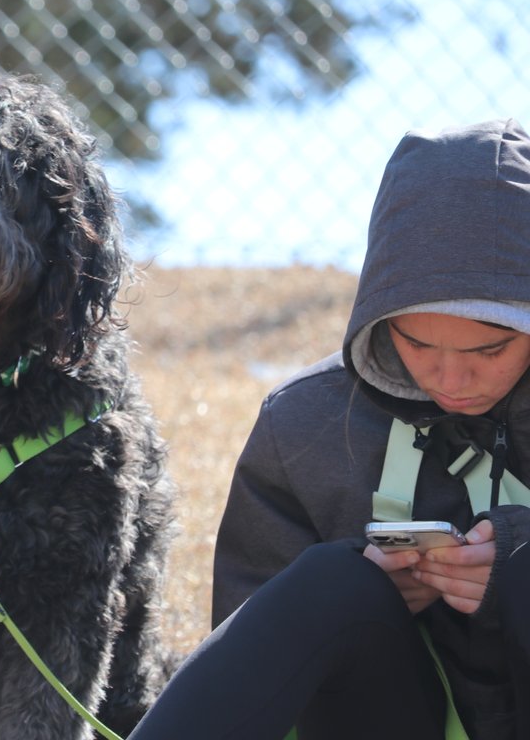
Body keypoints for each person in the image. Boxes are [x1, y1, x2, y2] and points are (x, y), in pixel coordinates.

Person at [128, 118, 530, 740]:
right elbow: (253, 651)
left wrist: (516, 564)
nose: (451, 377)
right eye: (417, 343)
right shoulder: (307, 424)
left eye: (490, 349)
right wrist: (374, 590)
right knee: (333, 581)